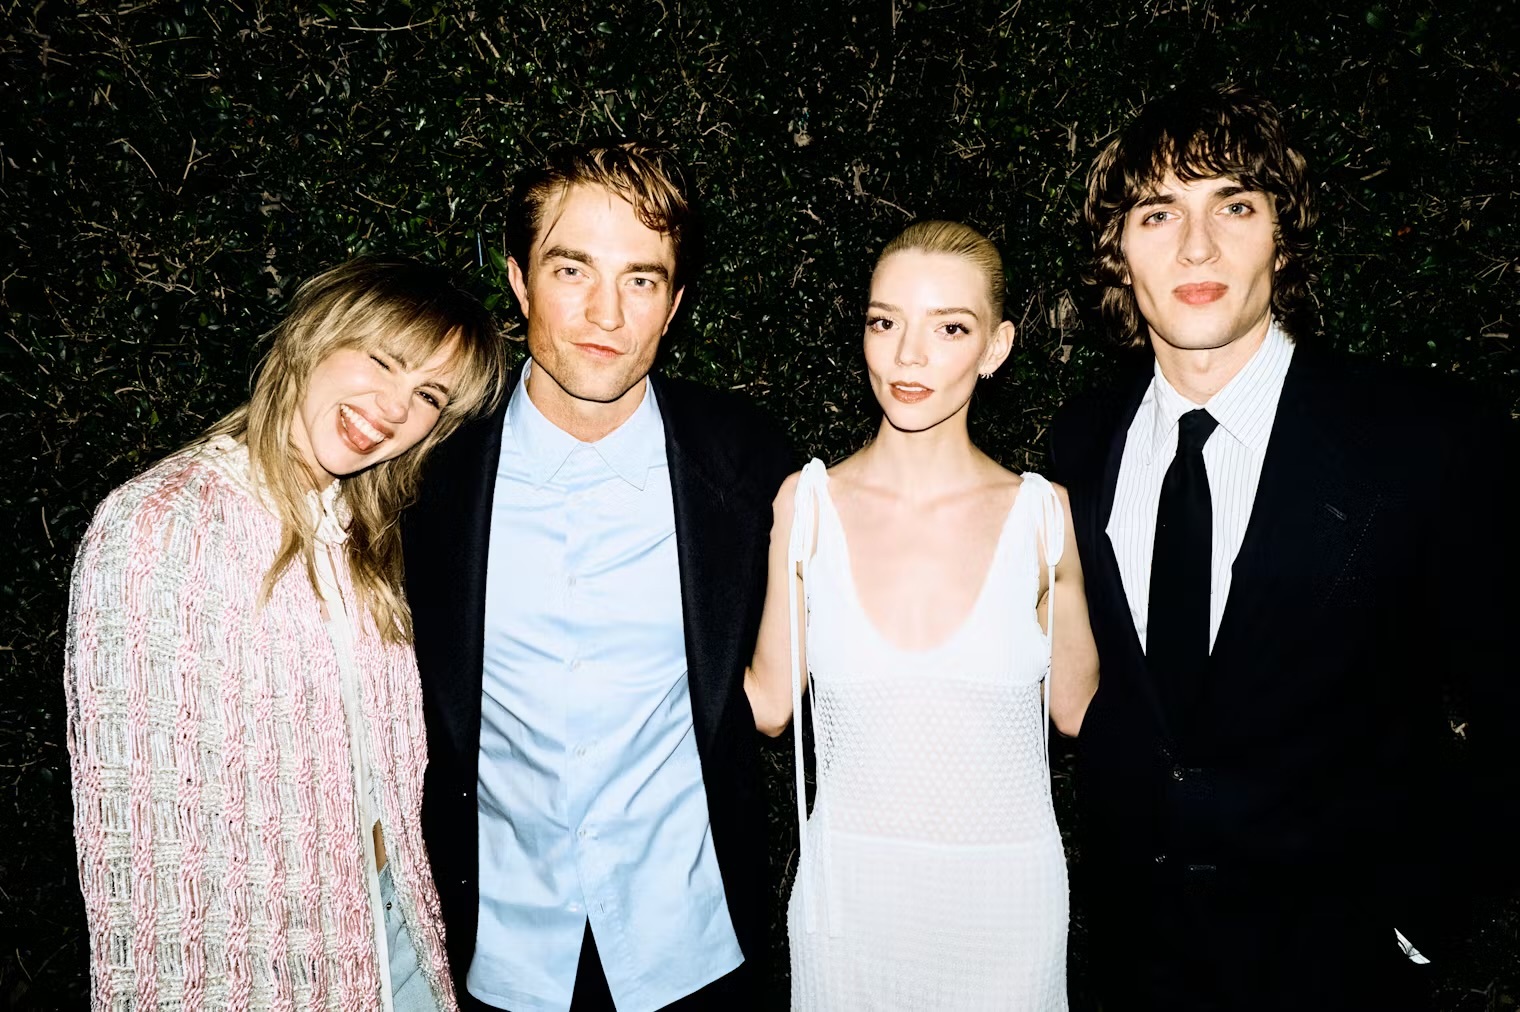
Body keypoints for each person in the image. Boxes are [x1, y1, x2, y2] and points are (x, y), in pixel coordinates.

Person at [1048, 84, 1520, 1010]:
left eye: (1234, 206)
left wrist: (1419, 923)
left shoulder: (1425, 438)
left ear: (1283, 237)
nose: (1197, 247)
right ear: (1118, 253)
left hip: (1342, 973)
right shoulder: (1081, 440)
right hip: (1137, 970)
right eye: (1158, 213)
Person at [399, 141, 792, 1012]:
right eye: (572, 269)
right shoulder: (426, 478)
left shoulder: (751, 465)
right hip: (500, 960)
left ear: (674, 305)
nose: (605, 312)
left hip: (694, 955)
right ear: (519, 280)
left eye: (641, 279)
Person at [64, 257, 508, 1011]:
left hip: (397, 943)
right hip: (265, 966)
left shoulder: (366, 538)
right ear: (316, 337)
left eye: (429, 395)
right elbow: (141, 844)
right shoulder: (165, 523)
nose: (394, 407)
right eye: (383, 360)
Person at [745, 220, 1100, 1010]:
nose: (908, 356)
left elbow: (1082, 711)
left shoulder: (1046, 519)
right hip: (850, 910)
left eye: (949, 328)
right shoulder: (806, 506)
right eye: (885, 322)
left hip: (1007, 912)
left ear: (996, 347)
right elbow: (767, 704)